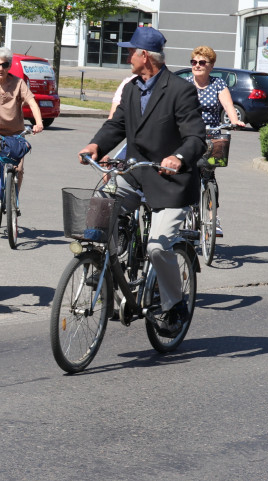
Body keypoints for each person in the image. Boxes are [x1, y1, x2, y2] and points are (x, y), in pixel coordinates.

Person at [77, 26, 206, 336]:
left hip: (171, 182)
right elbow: (117, 124)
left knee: (159, 247)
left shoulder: (180, 89)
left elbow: (196, 136)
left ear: (144, 56)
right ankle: (101, 264)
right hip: (135, 174)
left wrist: (178, 157)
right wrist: (95, 145)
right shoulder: (133, 88)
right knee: (102, 200)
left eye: (130, 51)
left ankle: (174, 304)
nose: (126, 55)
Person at [0, 46, 43, 206]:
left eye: (4, 65)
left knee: (18, 169)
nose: (0, 68)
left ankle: (13, 198)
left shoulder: (18, 83)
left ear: (9, 66)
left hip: (16, 132)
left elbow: (32, 102)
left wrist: (39, 123)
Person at [187, 46, 245, 237]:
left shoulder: (218, 84)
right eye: (194, 62)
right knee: (188, 176)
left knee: (209, 176)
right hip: (188, 136)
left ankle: (213, 218)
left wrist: (234, 120)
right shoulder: (186, 85)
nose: (197, 65)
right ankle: (188, 212)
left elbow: (228, 105)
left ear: (211, 66)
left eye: (202, 62)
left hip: (211, 136)